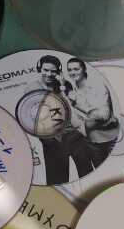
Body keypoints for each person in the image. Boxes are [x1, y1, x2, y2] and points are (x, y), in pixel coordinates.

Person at [22, 55, 92, 185]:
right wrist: (47, 140)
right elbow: (32, 117)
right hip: (54, 140)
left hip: (75, 136)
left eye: (53, 71)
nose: (49, 74)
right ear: (40, 68)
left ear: (59, 71)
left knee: (89, 174)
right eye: (45, 70)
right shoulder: (32, 88)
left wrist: (62, 85)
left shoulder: (64, 84)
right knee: (57, 181)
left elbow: (74, 106)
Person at [66, 58, 119, 169]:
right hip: (93, 142)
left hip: (110, 139)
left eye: (76, 69)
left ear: (84, 69)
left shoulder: (97, 86)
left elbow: (104, 115)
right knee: (103, 174)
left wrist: (76, 103)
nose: (73, 72)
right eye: (69, 70)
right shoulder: (72, 90)